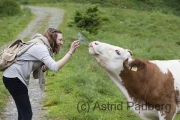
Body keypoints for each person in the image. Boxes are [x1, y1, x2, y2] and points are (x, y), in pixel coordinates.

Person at [2, 28, 80, 120]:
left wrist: (41, 67)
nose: (61, 42)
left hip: (12, 78)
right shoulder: (41, 48)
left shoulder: (41, 43)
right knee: (27, 115)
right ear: (53, 38)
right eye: (60, 39)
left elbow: (30, 60)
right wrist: (70, 52)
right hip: (14, 79)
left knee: (23, 115)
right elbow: (55, 67)